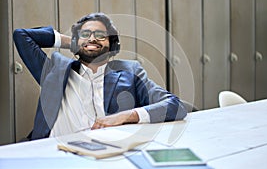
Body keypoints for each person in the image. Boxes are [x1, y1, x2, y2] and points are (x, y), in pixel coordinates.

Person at [13, 12, 187, 140]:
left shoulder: (131, 72)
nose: (93, 39)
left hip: (107, 153)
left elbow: (174, 106)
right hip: (52, 152)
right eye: (86, 34)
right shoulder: (54, 71)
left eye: (100, 36)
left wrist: (126, 116)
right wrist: (75, 42)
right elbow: (22, 36)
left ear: (112, 45)